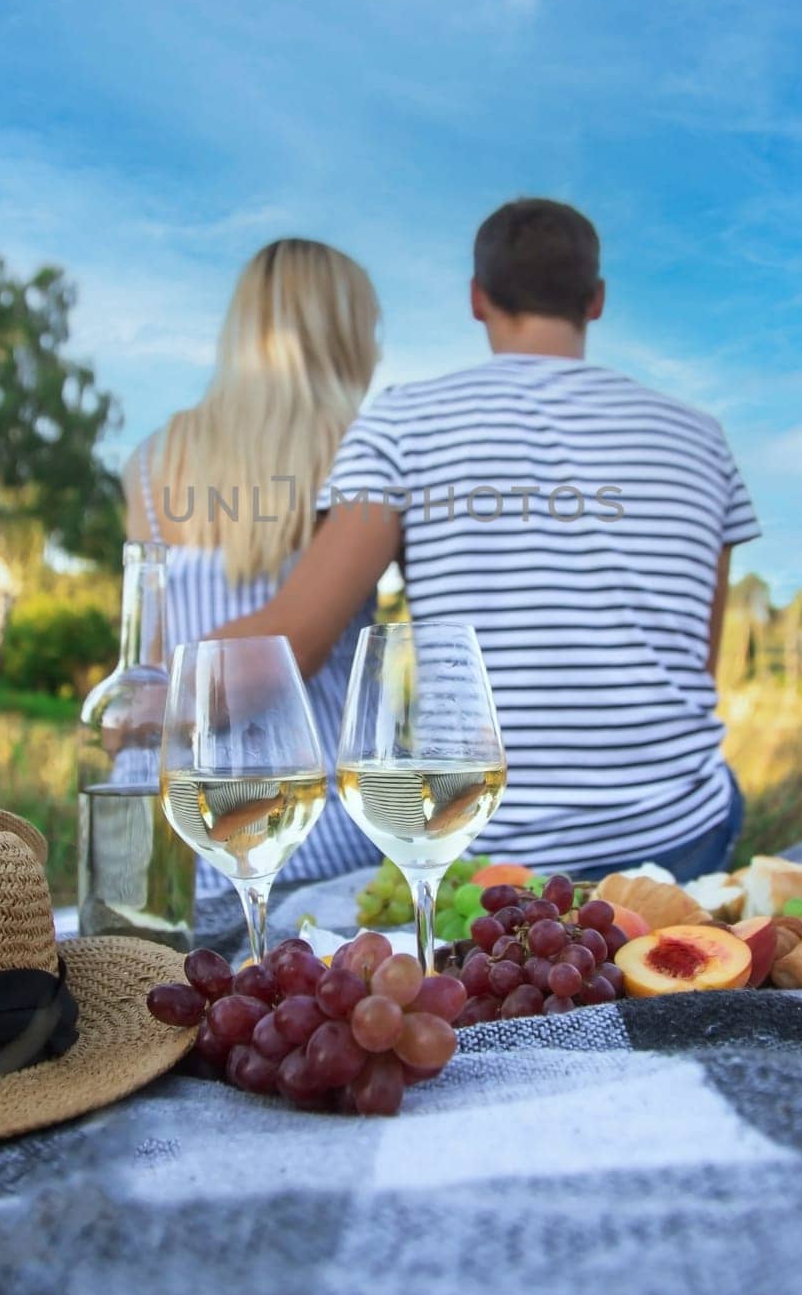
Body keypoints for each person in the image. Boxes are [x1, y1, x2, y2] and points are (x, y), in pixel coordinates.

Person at [213, 199, 760, 881]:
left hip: (489, 847)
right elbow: (696, 663)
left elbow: (296, 638)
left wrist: (153, 684)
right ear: (595, 301)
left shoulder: (403, 423)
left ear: (478, 299)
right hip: (682, 836)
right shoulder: (701, 437)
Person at [123, 237, 383, 883]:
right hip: (303, 830)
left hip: (159, 821)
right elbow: (298, 645)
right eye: (370, 331)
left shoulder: (153, 460)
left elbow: (141, 665)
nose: (376, 351)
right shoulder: (362, 452)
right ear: (342, 336)